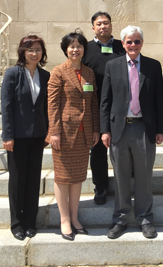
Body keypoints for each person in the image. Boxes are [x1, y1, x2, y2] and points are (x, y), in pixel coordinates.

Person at [100, 25, 163, 239]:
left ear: (142, 43)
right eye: (129, 41)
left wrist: (161, 130)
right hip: (119, 130)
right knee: (120, 176)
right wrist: (104, 130)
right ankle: (120, 219)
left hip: (144, 129)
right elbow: (105, 101)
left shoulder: (153, 66)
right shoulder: (112, 65)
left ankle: (145, 217)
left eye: (137, 41)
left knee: (144, 176)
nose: (133, 45)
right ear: (123, 44)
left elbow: (159, 101)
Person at [46, 29, 100, 241]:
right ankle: (64, 219)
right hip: (64, 134)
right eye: (71, 46)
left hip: (84, 133)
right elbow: (52, 105)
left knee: (77, 177)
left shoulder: (89, 73)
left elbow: (93, 103)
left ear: (84, 50)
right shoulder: (58, 72)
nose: (75, 49)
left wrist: (95, 128)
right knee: (62, 177)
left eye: (79, 46)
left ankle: (75, 218)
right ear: (65, 50)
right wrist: (54, 133)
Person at [1, 35, 50, 240]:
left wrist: (48, 130)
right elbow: (6, 106)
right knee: (17, 180)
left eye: (38, 49)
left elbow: (47, 107)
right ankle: (16, 223)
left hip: (38, 135)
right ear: (22, 51)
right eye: (30, 49)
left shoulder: (45, 75)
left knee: (33, 180)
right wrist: (8, 135)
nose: (34, 53)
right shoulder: (12, 73)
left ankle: (30, 221)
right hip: (17, 137)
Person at [82, 11, 125, 205]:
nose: (102, 27)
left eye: (106, 23)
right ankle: (100, 186)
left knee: (123, 147)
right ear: (93, 28)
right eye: (98, 24)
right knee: (98, 149)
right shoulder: (86, 48)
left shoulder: (122, 46)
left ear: (111, 26)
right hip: (95, 106)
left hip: (120, 108)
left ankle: (125, 183)